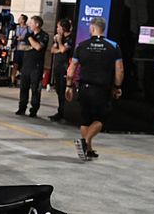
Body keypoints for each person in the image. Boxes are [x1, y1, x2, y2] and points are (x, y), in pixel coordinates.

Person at [66, 17, 124, 161]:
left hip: (84, 87)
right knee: (100, 119)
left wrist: (69, 86)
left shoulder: (81, 45)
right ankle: (85, 142)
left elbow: (71, 68)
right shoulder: (113, 46)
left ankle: (88, 150)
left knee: (86, 120)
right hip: (102, 89)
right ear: (103, 29)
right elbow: (120, 70)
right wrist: (117, 87)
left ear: (92, 28)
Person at [16, 15, 49, 117]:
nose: (29, 24)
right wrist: (31, 46)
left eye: (31, 23)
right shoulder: (28, 35)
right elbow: (21, 47)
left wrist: (30, 40)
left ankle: (34, 109)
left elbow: (38, 47)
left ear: (37, 24)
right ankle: (22, 108)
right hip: (26, 65)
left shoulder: (44, 35)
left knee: (35, 89)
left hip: (36, 66)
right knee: (23, 88)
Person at [49, 19, 74, 122]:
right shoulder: (60, 38)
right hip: (57, 66)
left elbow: (64, 50)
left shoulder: (70, 38)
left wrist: (59, 42)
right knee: (58, 90)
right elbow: (52, 50)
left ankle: (64, 112)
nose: (57, 29)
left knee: (64, 90)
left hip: (65, 67)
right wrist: (59, 46)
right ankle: (60, 111)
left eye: (58, 27)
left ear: (63, 28)